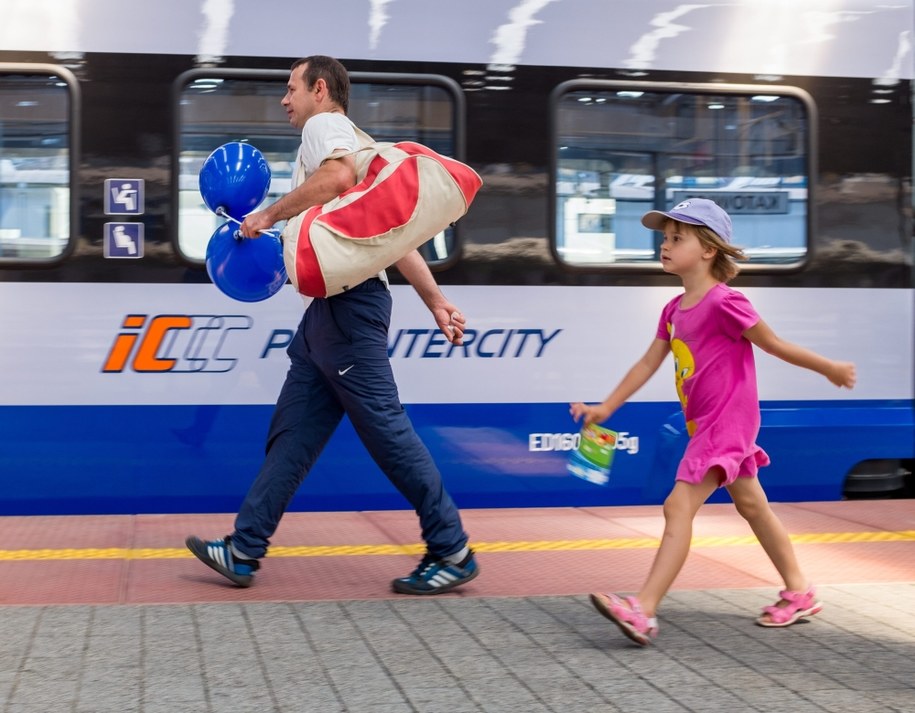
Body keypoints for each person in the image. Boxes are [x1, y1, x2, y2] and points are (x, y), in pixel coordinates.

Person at [186, 55, 479, 595]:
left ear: (320, 90)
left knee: (387, 432)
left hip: (349, 312)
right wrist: (435, 299)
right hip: (329, 315)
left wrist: (270, 214)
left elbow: (337, 176)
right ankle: (244, 548)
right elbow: (389, 242)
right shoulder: (349, 138)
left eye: (291, 88)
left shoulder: (325, 129)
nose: (284, 99)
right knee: (293, 435)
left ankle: (452, 548)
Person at [570, 198, 856, 645]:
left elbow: (773, 344)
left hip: (728, 421)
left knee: (677, 506)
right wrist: (606, 408)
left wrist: (828, 368)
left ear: (707, 249)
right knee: (752, 505)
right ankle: (800, 591)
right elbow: (647, 363)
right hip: (704, 423)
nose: (664, 245)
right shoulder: (674, 309)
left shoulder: (726, 302)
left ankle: (643, 610)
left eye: (676, 238)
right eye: (664, 238)